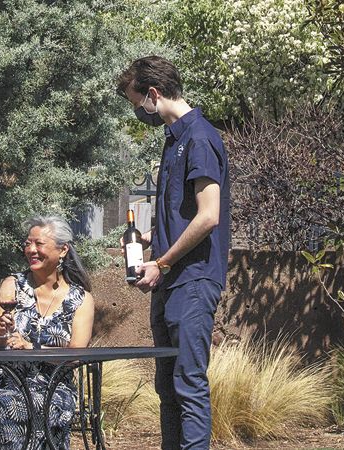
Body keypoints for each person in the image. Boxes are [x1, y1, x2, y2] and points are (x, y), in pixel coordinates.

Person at [116, 56, 230, 450]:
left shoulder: (199, 137)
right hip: (170, 284)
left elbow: (208, 216)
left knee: (189, 383)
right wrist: (149, 239)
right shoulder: (173, 140)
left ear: (153, 94)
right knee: (167, 387)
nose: (137, 113)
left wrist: (161, 262)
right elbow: (182, 215)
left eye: (136, 104)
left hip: (192, 282)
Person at [0, 215, 95, 450]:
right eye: (27, 243)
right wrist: (2, 334)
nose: (31, 250)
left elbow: (76, 354)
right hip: (9, 385)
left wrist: (33, 349)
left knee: (47, 404)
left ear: (63, 250)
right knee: (13, 404)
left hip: (56, 386)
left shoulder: (81, 300)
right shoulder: (11, 286)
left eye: (39, 244)